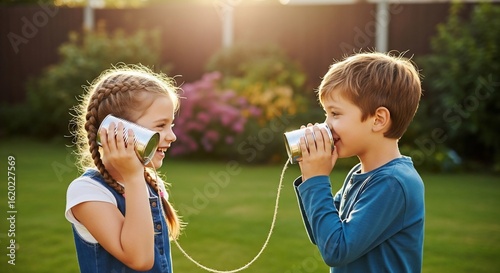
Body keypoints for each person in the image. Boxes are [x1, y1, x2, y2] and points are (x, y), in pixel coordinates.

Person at [293, 52, 424, 272]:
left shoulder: (393, 182)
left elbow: (336, 250)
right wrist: (310, 176)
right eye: (326, 114)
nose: (327, 125)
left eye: (335, 113)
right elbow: (323, 235)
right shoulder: (360, 173)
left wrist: (316, 179)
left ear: (378, 120)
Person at [65, 64, 183, 273]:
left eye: (171, 125)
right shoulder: (87, 192)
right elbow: (140, 259)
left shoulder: (147, 181)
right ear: (117, 130)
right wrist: (133, 176)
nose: (172, 136)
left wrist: (135, 177)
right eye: (160, 126)